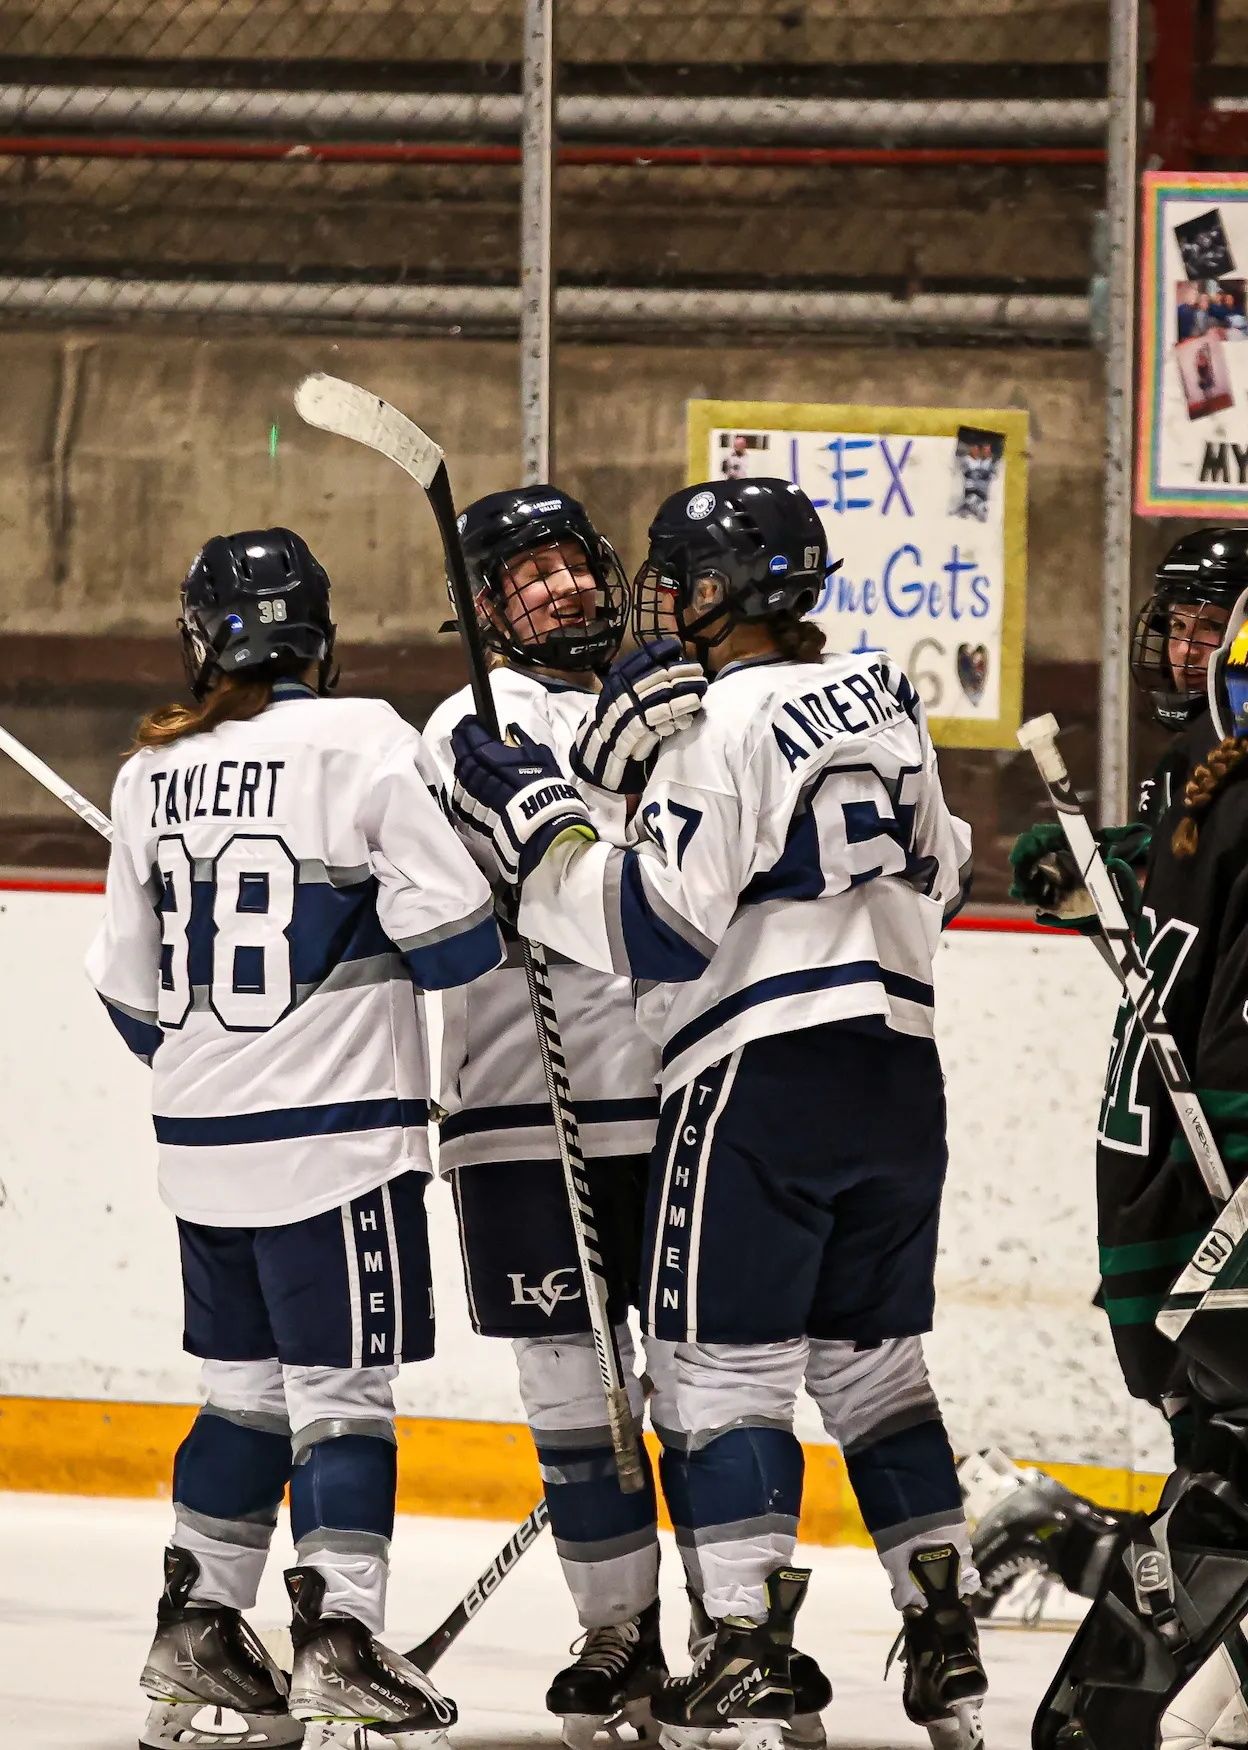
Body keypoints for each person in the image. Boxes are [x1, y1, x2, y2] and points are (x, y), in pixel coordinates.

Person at [449, 477, 985, 1750]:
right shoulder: (885, 697)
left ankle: (743, 1645)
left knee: (722, 1374)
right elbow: (947, 871)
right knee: (874, 1368)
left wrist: (551, 849)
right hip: (902, 1073)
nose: (662, 601)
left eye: (678, 578)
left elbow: (654, 925)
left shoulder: (716, 718)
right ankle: (944, 1623)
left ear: (718, 591)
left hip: (758, 1081)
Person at [86, 527, 503, 1750]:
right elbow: (463, 943)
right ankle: (339, 1642)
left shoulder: (146, 772)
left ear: (202, 636)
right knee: (340, 1403)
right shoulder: (364, 736)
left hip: (201, 1142)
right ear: (317, 635)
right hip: (338, 1145)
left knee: (238, 1401)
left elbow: (125, 998)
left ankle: (199, 1626)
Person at [422, 485, 720, 1747]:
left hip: (677, 1093)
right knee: (572, 1396)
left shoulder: (684, 695)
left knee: (709, 1387)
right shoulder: (462, 721)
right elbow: (535, 860)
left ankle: (735, 1632)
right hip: (516, 1112)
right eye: (522, 575)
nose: (557, 588)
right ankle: (618, 1629)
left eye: (566, 563)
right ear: (486, 608)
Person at [997, 529, 1248, 1592]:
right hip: (1159, 1148)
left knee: (1218, 1424)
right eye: (1179, 627)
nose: (1190, 650)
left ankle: (1099, 1552)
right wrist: (1098, 870)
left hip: (1186, 1144)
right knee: (1201, 1408)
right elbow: (1186, 889)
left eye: (1211, 628)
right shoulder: (1187, 760)